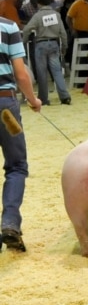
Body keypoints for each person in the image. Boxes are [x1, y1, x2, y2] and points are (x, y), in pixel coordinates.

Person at [0, 13, 42, 253]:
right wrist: (33, 99)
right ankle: (10, 223)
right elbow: (21, 73)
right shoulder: (7, 27)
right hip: (5, 104)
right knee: (16, 166)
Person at [22, 0, 71, 106]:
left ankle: (43, 99)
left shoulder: (37, 16)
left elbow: (26, 30)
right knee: (57, 72)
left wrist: (23, 43)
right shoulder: (56, 15)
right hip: (54, 43)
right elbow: (63, 32)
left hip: (40, 45)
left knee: (42, 73)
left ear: (38, 3)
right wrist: (64, 46)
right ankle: (64, 96)